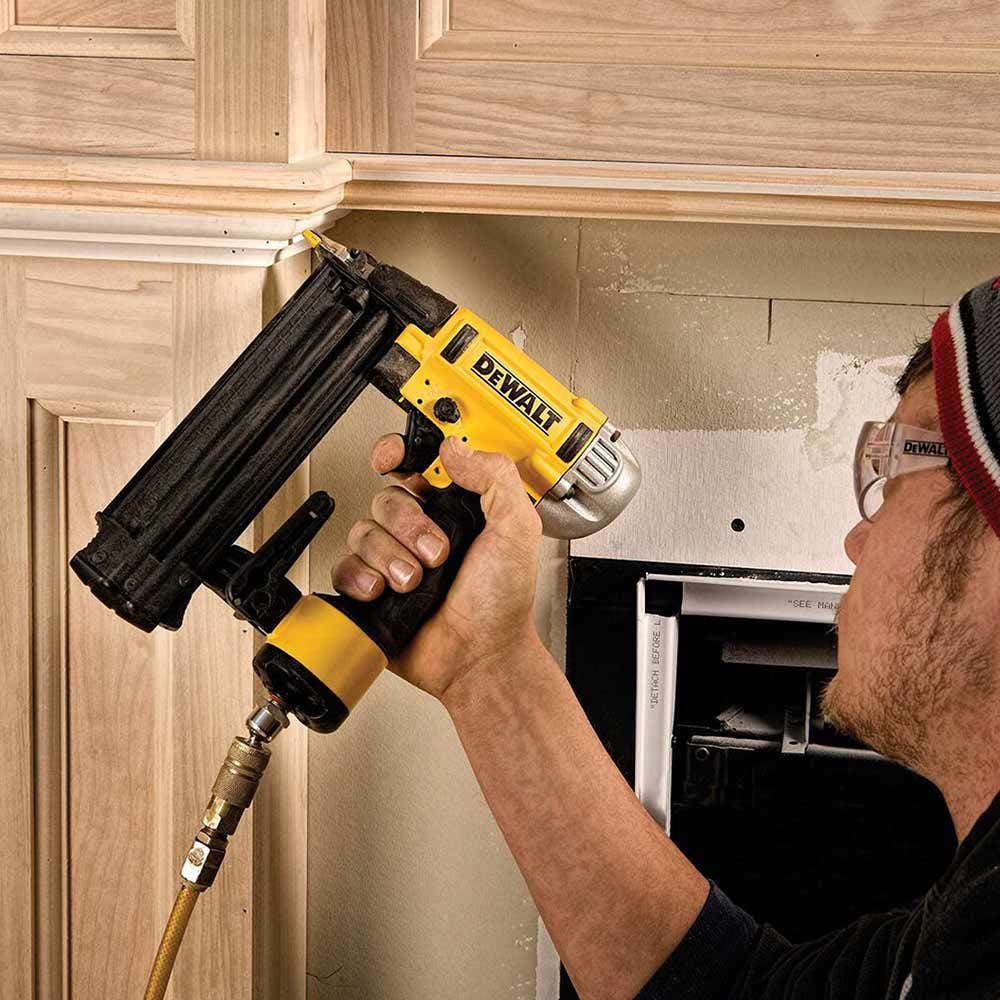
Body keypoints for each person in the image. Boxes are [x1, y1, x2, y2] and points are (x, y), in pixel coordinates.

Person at [331, 276, 1000, 1000]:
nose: (855, 540)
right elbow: (727, 991)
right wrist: (485, 665)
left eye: (893, 474)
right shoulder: (971, 922)